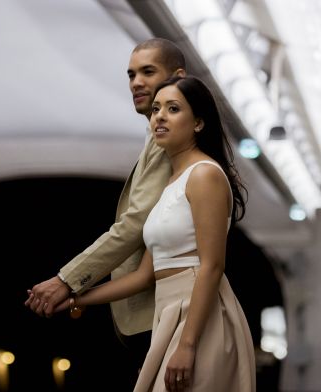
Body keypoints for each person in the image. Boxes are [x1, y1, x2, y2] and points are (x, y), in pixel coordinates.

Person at [53, 75, 255, 391]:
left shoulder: (204, 175)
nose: (159, 116)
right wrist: (77, 299)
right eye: (156, 108)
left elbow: (212, 266)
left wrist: (187, 344)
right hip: (168, 311)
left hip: (200, 316)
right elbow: (144, 276)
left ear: (198, 123)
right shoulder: (172, 184)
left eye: (173, 109)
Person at [24, 38, 187, 364]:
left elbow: (136, 223)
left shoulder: (170, 146)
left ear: (178, 77)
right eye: (131, 74)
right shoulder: (157, 140)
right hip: (152, 315)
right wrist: (76, 294)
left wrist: (67, 281)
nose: (136, 82)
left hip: (165, 316)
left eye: (148, 72)